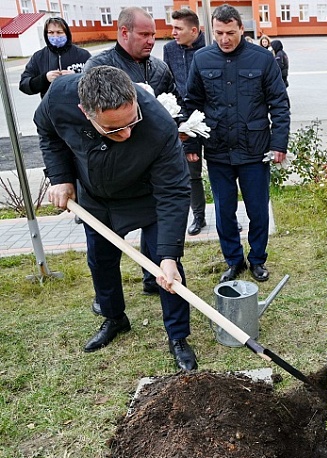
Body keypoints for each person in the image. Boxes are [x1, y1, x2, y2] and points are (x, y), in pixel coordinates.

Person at [35, 66, 196, 370]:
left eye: (131, 122)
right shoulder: (59, 99)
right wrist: (60, 177)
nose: (126, 133)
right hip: (96, 198)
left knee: (166, 267)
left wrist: (170, 255)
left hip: (145, 196)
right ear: (85, 111)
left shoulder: (158, 126)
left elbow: (173, 190)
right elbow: (47, 132)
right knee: (100, 261)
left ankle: (178, 336)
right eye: (113, 129)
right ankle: (114, 318)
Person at [184, 4, 290, 283]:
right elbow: (192, 105)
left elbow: (279, 103)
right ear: (212, 31)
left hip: (255, 150)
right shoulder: (202, 59)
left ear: (242, 29)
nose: (225, 39)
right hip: (218, 150)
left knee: (257, 209)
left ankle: (257, 259)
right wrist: (192, 147)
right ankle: (233, 260)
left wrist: (279, 144)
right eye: (219, 33)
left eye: (231, 32)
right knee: (223, 211)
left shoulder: (262, 59)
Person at [84, 7, 177, 302]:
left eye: (153, 34)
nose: (151, 40)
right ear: (124, 32)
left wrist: (178, 126)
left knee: (160, 242)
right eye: (144, 34)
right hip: (113, 173)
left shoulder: (160, 69)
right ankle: (111, 312)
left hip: (151, 171)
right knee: (103, 255)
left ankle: (155, 279)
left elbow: (172, 106)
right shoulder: (98, 68)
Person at [163, 8, 208, 237]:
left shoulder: (210, 47)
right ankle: (198, 216)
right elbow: (169, 84)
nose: (173, 33)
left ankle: (227, 216)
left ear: (194, 30)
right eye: (173, 28)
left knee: (224, 171)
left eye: (177, 29)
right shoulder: (170, 50)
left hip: (211, 118)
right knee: (192, 172)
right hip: (185, 119)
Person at [19, 17, 90, 99]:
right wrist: (44, 79)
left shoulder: (83, 55)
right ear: (46, 34)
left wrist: (76, 78)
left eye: (59, 32)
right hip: (51, 108)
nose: (55, 36)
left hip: (78, 106)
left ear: (66, 33)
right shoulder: (38, 57)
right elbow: (24, 85)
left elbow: (96, 82)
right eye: (51, 32)